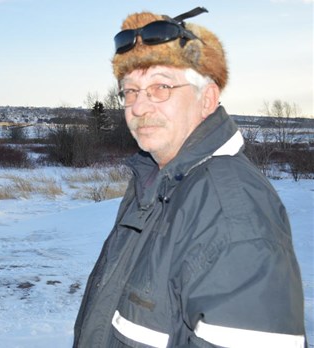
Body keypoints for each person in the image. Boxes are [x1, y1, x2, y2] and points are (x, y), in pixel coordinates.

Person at [73, 7, 307, 348]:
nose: (138, 107)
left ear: (207, 99)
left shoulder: (229, 212)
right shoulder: (156, 184)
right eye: (131, 91)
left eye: (161, 87)